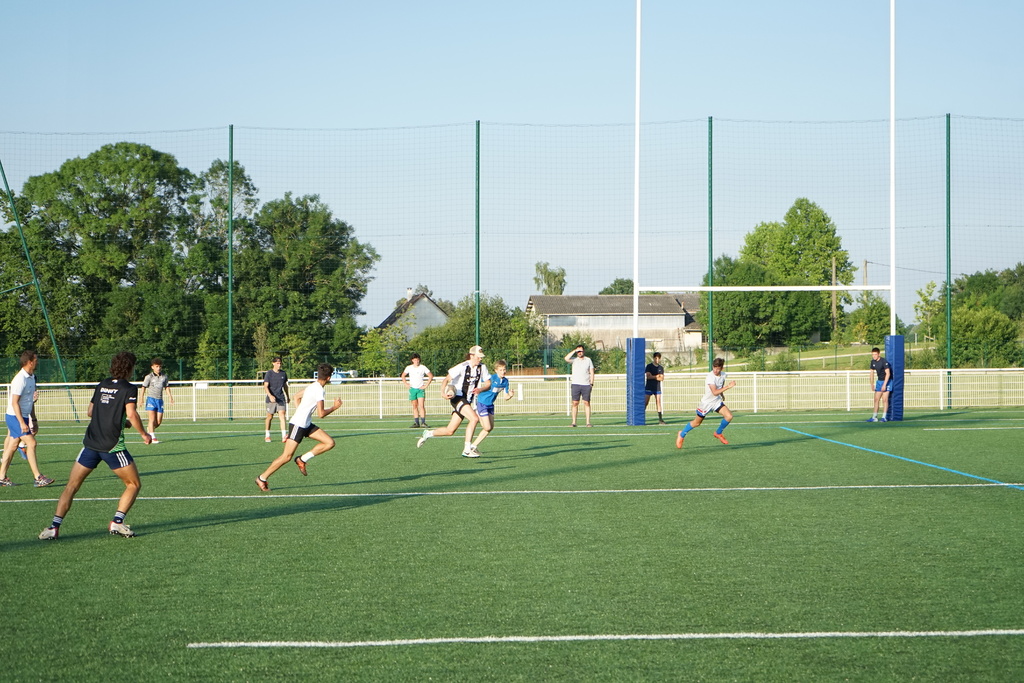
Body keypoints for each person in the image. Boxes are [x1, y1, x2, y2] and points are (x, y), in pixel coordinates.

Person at [38, 351, 152, 540]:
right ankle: (117, 522)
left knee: (72, 486)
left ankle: (53, 528)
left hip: (90, 444)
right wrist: (144, 433)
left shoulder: (103, 384)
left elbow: (91, 411)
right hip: (112, 446)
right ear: (130, 368)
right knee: (133, 484)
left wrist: (119, 420)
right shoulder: (129, 388)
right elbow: (132, 414)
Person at [255, 363, 342, 491]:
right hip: (298, 424)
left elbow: (296, 396)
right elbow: (321, 414)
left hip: (305, 424)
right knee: (286, 457)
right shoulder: (319, 390)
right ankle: (262, 478)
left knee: (329, 443)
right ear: (329, 378)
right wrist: (335, 407)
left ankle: (302, 459)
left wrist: (301, 411)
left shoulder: (313, 385)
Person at [417, 345, 490, 458]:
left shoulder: (482, 367)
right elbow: (446, 379)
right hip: (457, 398)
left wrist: (481, 389)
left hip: (467, 401)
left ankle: (428, 433)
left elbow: (488, 383)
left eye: (481, 357)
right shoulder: (462, 366)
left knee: (450, 431)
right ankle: (467, 449)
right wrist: (443, 393)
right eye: (478, 356)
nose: (480, 359)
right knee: (474, 418)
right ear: (471, 356)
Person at [0, 350, 53, 488]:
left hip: (21, 416)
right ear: (29, 362)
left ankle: (1, 477)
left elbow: (29, 401)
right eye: (35, 360)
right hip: (14, 417)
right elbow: (14, 403)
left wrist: (33, 420)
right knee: (32, 443)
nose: (37, 362)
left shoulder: (31, 377)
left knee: (12, 446)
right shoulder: (20, 379)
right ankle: (38, 477)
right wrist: (22, 423)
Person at [675, 357, 736, 448]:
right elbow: (714, 392)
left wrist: (722, 395)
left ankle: (718, 433)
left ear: (722, 368)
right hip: (706, 403)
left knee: (729, 416)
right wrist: (728, 387)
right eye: (714, 367)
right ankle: (682, 434)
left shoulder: (723, 375)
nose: (715, 370)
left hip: (716, 402)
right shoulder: (710, 377)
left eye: (717, 368)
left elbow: (720, 386)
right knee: (697, 423)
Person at [470, 359, 514, 454]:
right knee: (487, 427)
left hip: (490, 405)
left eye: (504, 369)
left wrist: (510, 395)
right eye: (500, 370)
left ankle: (473, 446)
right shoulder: (491, 378)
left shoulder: (505, 381)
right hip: (482, 402)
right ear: (496, 370)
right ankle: (476, 412)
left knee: (490, 428)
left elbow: (505, 397)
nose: (503, 372)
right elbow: (479, 380)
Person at [141, 357, 174, 444]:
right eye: (156, 366)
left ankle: (150, 429)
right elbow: (143, 387)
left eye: (160, 366)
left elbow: (167, 387)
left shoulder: (164, 376)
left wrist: (170, 397)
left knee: (158, 422)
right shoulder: (149, 377)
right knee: (151, 419)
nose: (158, 368)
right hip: (151, 399)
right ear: (152, 367)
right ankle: (152, 437)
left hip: (160, 400)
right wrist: (141, 398)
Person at [564, 345, 595, 427]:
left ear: (584, 351)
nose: (579, 353)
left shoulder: (588, 360)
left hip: (586, 384)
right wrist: (574, 350)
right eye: (578, 352)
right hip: (576, 384)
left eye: (581, 351)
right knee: (575, 403)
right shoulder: (574, 360)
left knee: (586, 403)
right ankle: (574, 422)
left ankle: (588, 422)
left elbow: (592, 372)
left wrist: (591, 383)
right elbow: (566, 358)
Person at [401, 353, 433, 428]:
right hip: (412, 389)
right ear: (412, 360)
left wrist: (426, 385)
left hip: (420, 389)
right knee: (414, 406)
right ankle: (416, 422)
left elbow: (430, 376)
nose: (416, 361)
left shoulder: (423, 367)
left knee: (421, 405)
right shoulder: (409, 368)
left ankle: (423, 422)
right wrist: (406, 383)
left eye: (418, 360)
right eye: (415, 360)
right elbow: (403, 375)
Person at [263, 356, 290, 442]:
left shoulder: (283, 374)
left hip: (281, 398)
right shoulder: (269, 373)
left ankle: (284, 436)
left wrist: (287, 396)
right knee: (269, 417)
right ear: (273, 363)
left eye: (280, 363)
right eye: (277, 363)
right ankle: (267, 435)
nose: (279, 365)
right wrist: (270, 396)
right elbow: (265, 386)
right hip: (271, 399)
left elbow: (285, 386)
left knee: (282, 415)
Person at [868, 347, 892, 423]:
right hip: (879, 381)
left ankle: (884, 417)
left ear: (879, 354)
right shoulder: (873, 362)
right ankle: (874, 417)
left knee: (885, 399)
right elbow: (871, 373)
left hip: (887, 381)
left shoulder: (884, 361)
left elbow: (888, 373)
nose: (874, 356)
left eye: (875, 354)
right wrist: (872, 384)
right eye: (873, 354)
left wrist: (884, 384)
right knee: (876, 399)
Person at [645, 351, 667, 425]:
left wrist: (654, 376)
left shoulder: (661, 368)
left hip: (657, 387)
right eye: (656, 358)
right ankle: (641, 417)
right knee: (646, 402)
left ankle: (660, 419)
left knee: (658, 402)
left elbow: (662, 378)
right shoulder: (649, 366)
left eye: (658, 358)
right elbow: (648, 376)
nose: (657, 360)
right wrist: (657, 376)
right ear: (653, 358)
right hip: (649, 386)